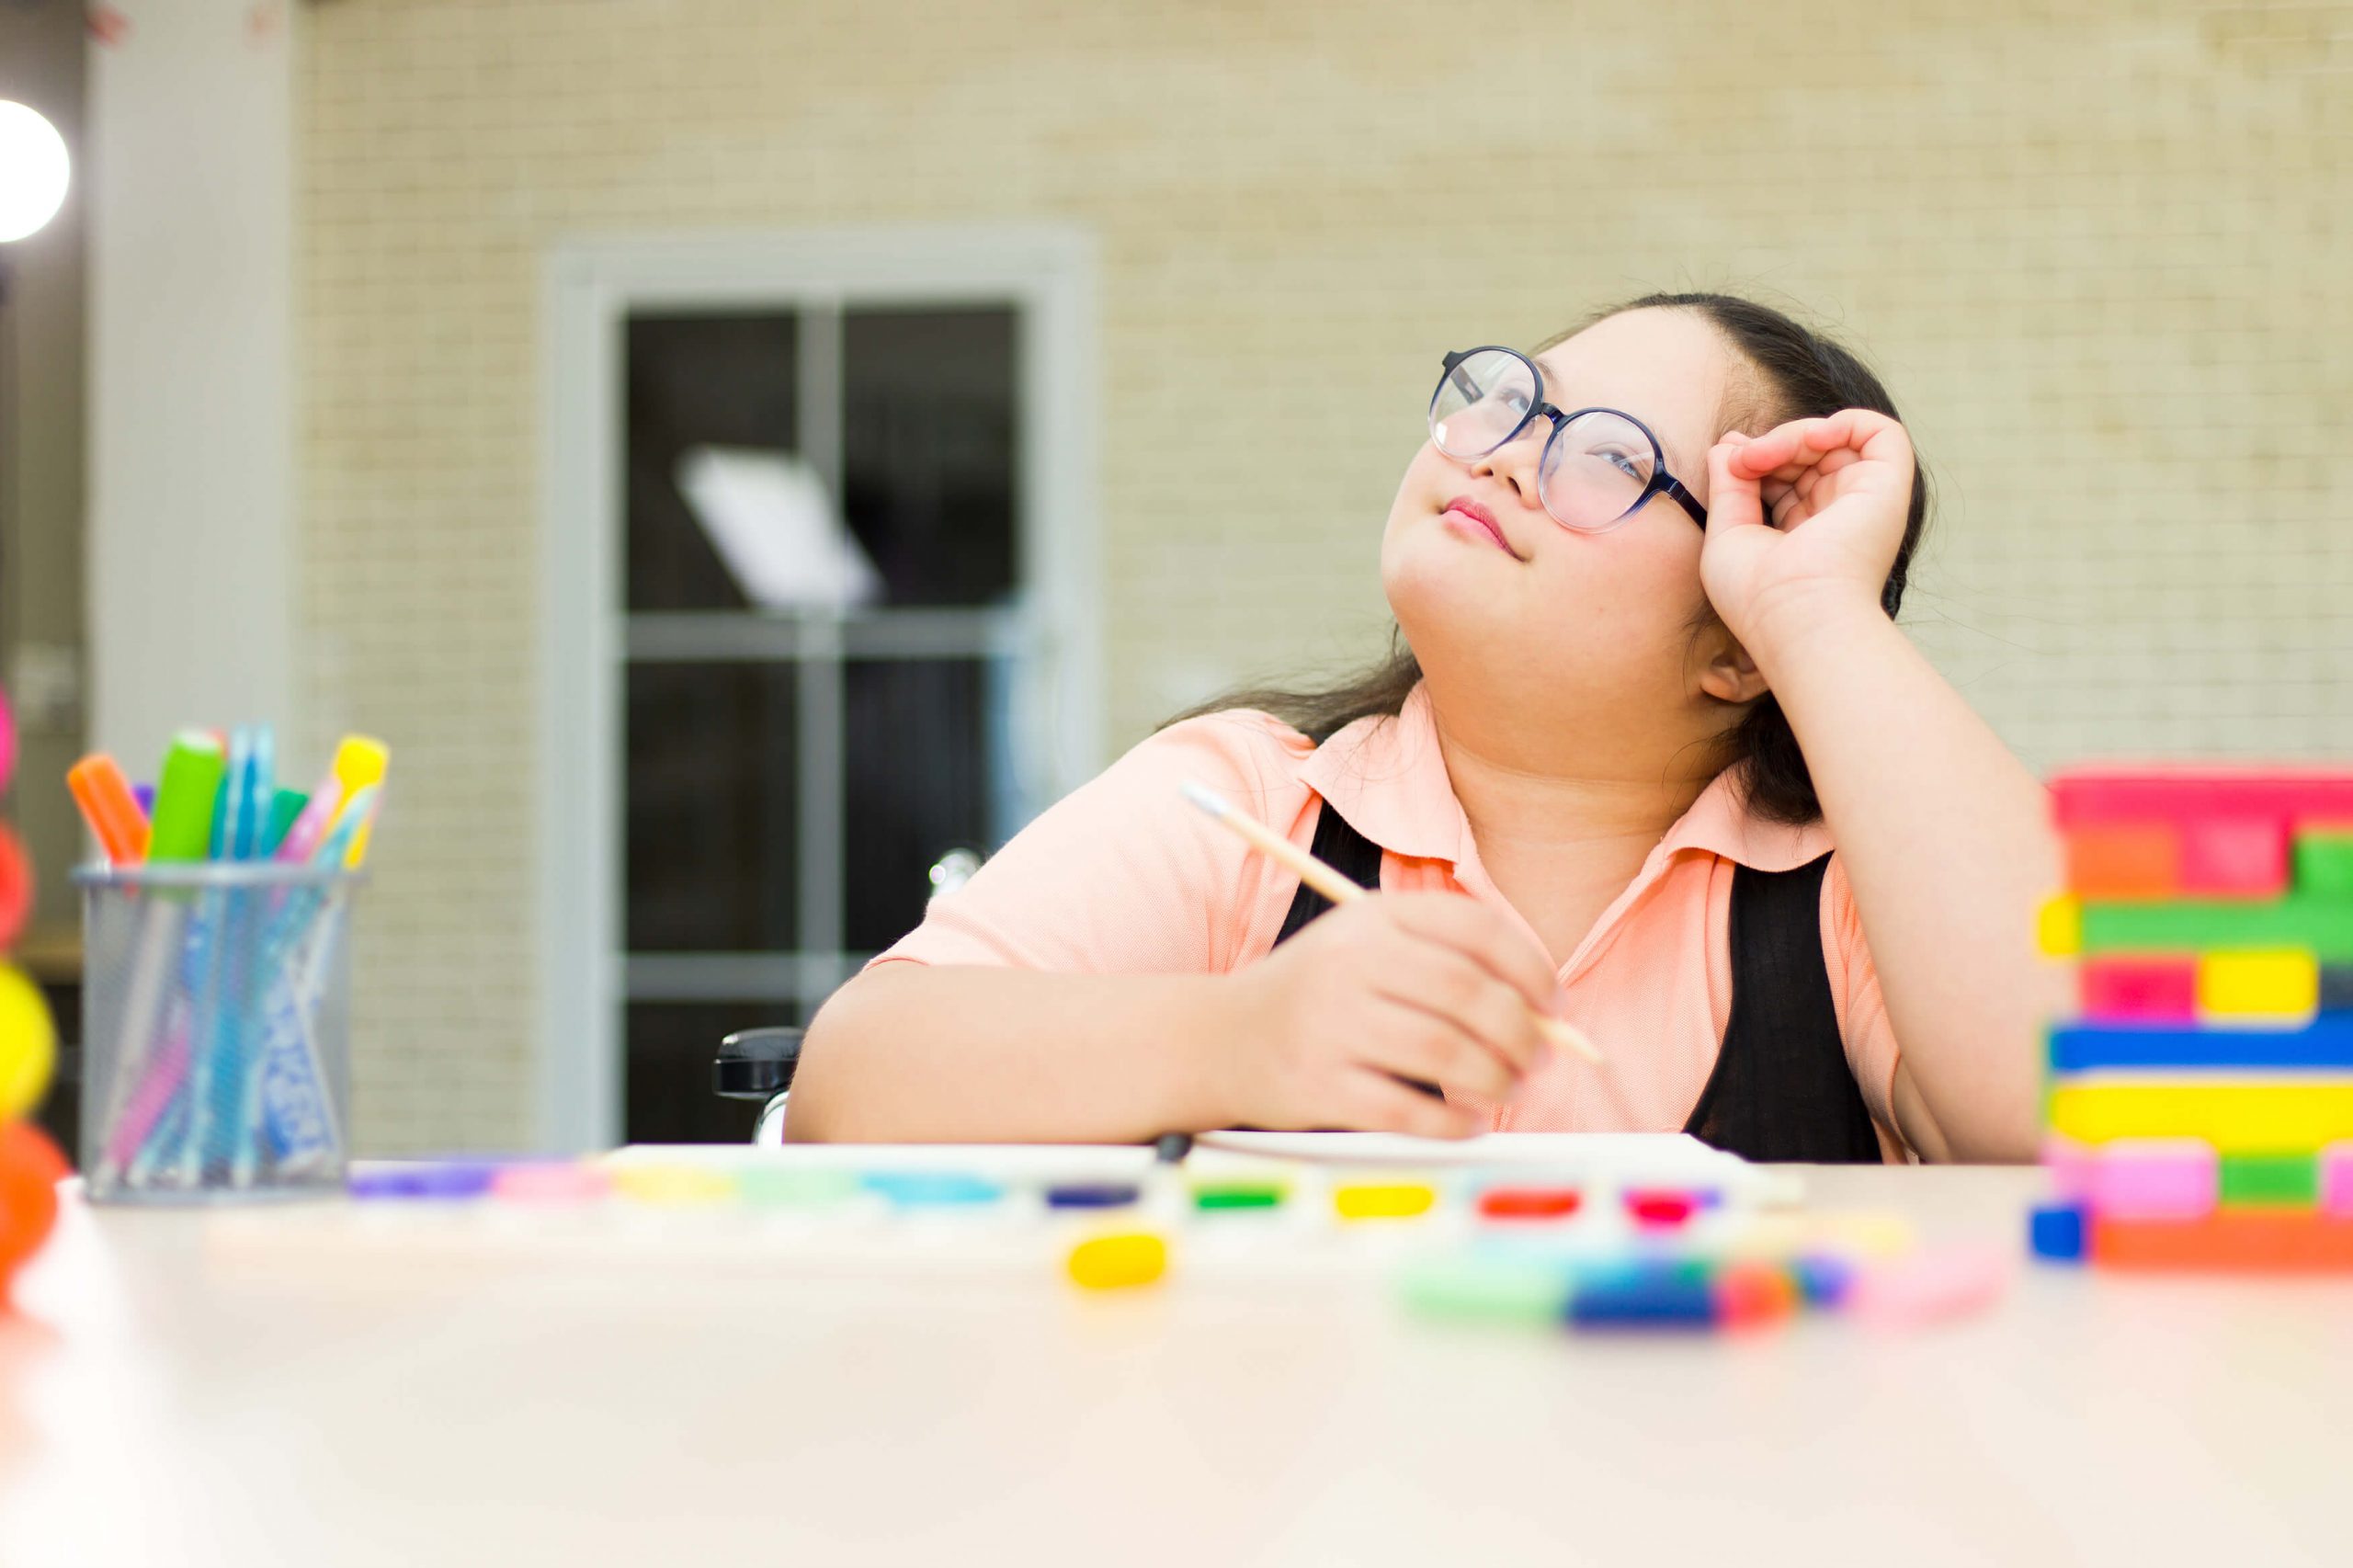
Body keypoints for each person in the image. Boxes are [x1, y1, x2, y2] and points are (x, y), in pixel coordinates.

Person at [788, 292, 2061, 1162]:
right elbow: (854, 1082)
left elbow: (2083, 1113)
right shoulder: (1244, 805)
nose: (1504, 454)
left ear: (1735, 647)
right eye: (1508, 397)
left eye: (1610, 460)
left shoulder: (1854, 893)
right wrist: (1241, 1039)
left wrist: (1819, 616)